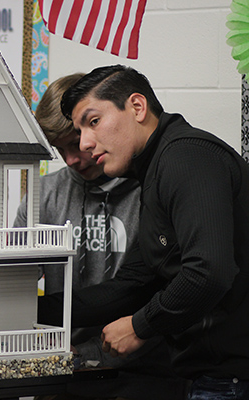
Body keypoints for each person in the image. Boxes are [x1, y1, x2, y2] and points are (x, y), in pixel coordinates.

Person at [39, 64, 249, 399]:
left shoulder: (187, 157)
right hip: (211, 379)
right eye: (80, 132)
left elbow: (210, 271)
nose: (86, 144)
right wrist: (27, 312)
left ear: (137, 107)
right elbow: (133, 285)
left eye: (93, 122)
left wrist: (141, 325)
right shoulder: (155, 173)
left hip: (230, 381)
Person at [14, 74, 187, 399]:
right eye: (59, 148)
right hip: (62, 373)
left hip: (144, 373)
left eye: (74, 141)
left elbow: (177, 288)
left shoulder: (149, 191)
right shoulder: (43, 197)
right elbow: (11, 286)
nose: (71, 158)